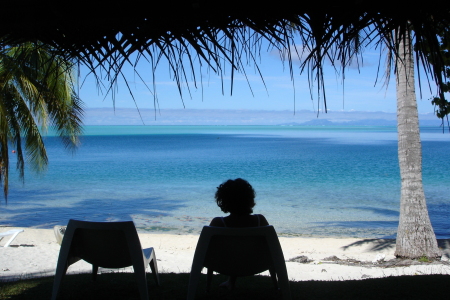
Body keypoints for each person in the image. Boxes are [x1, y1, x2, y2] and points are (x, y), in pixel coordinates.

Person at [209, 178, 269, 290]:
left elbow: (207, 251)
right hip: (256, 265)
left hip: (225, 266)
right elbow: (271, 248)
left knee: (234, 250)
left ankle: (229, 281)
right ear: (250, 198)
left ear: (223, 200)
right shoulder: (260, 221)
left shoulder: (218, 223)